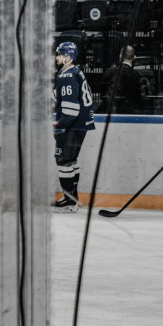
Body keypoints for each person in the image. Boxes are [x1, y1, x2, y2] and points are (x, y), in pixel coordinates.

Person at [51, 40, 95, 213]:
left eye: (60, 54)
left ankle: (70, 202)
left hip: (73, 124)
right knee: (71, 160)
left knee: (63, 160)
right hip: (81, 124)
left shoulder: (67, 75)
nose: (57, 57)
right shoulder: (72, 72)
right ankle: (73, 199)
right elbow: (60, 95)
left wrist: (60, 124)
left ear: (68, 57)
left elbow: (71, 108)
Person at [99, 45, 145, 114]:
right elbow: (138, 98)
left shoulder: (110, 71)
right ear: (134, 57)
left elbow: (102, 92)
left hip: (109, 110)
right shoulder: (136, 75)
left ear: (120, 56)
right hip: (129, 112)